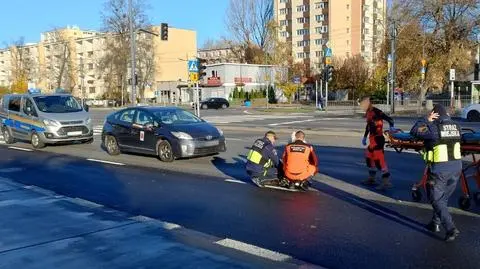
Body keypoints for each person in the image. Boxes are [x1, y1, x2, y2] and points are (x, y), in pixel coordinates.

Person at [410, 104, 462, 242]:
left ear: (435, 115)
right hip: (456, 169)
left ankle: (450, 228)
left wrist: (426, 119)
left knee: (435, 198)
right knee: (443, 199)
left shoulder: (433, 128)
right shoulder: (457, 127)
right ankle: (435, 223)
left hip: (440, 170)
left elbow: (414, 131)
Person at [359, 96, 395, 190]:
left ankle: (386, 182)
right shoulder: (368, 112)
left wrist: (392, 128)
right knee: (368, 158)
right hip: (372, 140)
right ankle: (372, 179)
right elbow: (368, 125)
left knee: (380, 161)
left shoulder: (377, 112)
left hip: (378, 140)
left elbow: (390, 120)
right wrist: (364, 137)